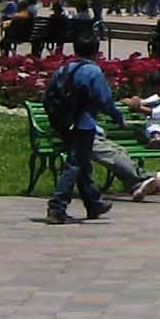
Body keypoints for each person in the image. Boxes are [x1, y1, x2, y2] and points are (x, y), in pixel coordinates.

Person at [42, 37, 117, 226]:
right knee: (75, 163)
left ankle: (93, 203)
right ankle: (57, 207)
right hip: (84, 124)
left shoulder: (64, 69)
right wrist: (118, 117)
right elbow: (104, 99)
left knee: (81, 163)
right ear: (95, 51)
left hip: (64, 123)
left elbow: (48, 96)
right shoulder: (92, 71)